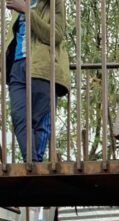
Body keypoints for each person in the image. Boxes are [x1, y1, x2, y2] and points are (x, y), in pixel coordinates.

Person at [5, 0, 69, 162]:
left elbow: (56, 35)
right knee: (19, 117)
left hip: (42, 66)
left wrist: (27, 11)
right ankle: (32, 162)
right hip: (17, 67)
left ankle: (33, 164)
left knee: (39, 119)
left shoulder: (54, 3)